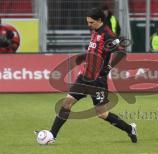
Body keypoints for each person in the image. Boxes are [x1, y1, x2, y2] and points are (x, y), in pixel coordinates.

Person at [41, 8, 137, 144]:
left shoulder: (108, 34)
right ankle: (52, 136)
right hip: (84, 77)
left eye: (91, 22)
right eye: (87, 22)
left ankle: (129, 129)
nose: (89, 25)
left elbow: (121, 52)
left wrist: (109, 67)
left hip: (98, 80)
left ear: (99, 20)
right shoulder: (95, 31)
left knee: (102, 114)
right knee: (67, 102)